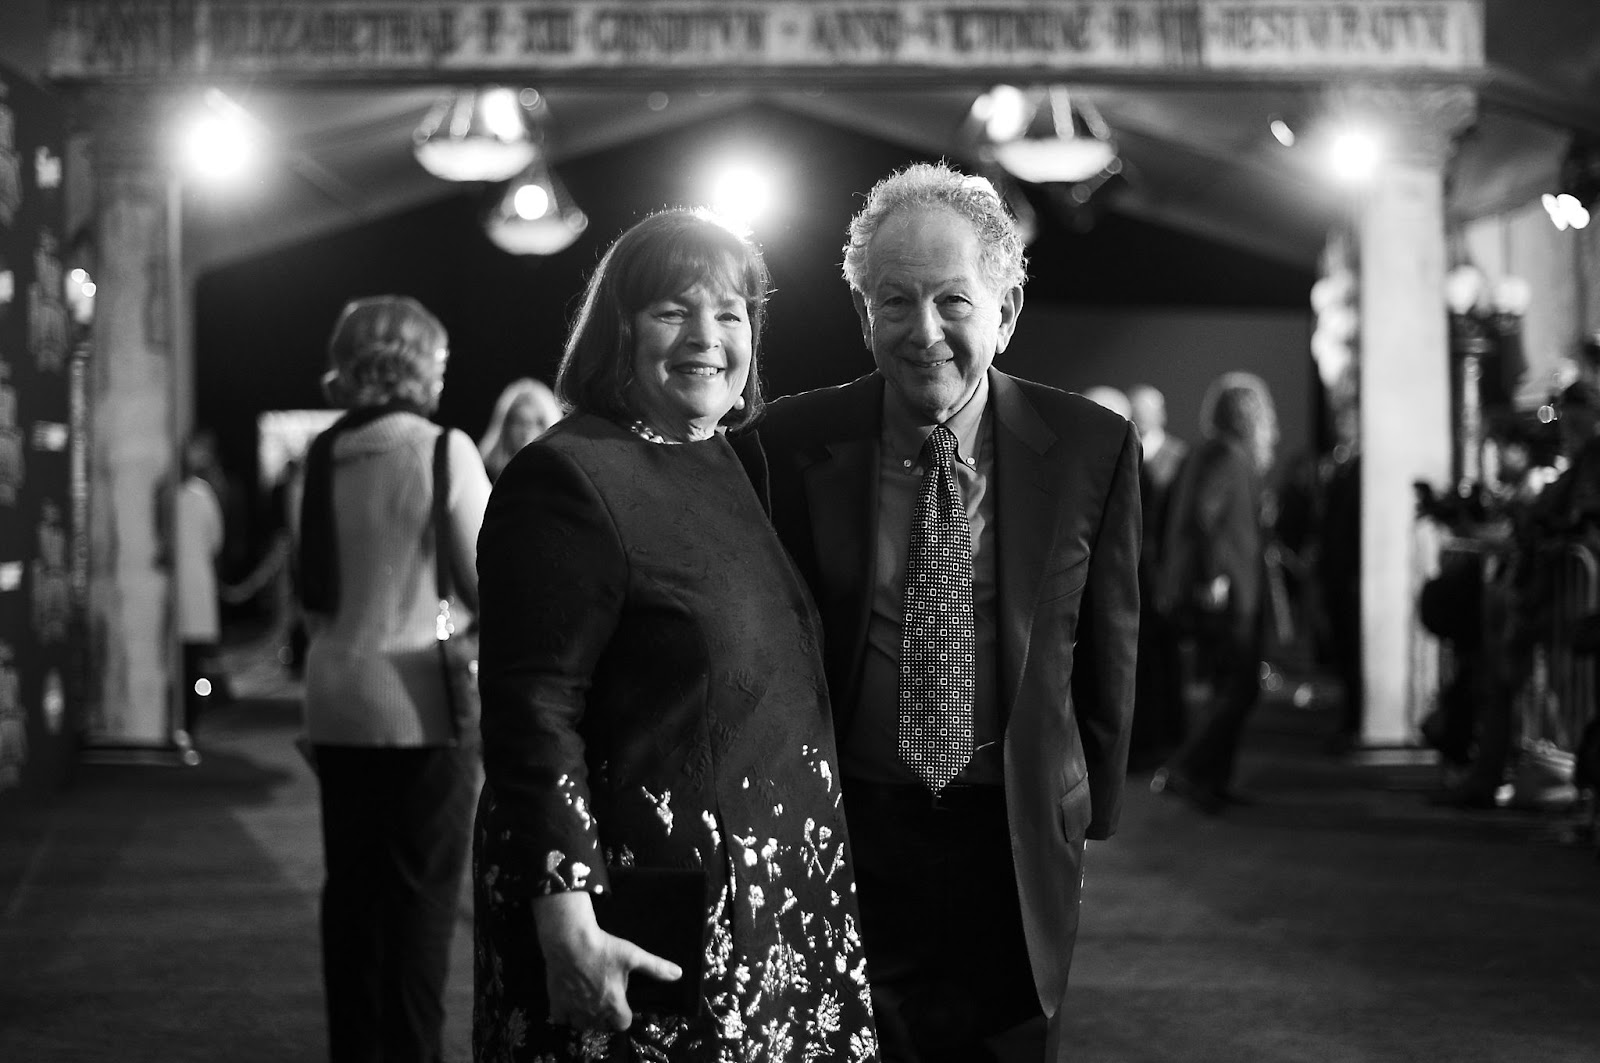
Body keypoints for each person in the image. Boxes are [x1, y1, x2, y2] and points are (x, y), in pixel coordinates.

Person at [471, 209, 878, 1063]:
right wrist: (566, 913)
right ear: (617, 330)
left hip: (772, 912)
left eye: (730, 314)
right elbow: (531, 709)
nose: (706, 336)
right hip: (641, 921)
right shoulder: (569, 473)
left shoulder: (727, 459)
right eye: (672, 311)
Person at [759, 162, 1141, 1063]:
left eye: (953, 302)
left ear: (1004, 311)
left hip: (1011, 826)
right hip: (851, 818)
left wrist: (1092, 805)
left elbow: (1111, 639)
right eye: (894, 302)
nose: (923, 332)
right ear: (863, 316)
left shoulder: (1091, 445)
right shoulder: (787, 443)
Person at [295, 295, 491, 1063]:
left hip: (334, 697)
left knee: (352, 899)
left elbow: (313, 588)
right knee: (420, 908)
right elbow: (486, 582)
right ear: (415, 363)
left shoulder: (319, 454)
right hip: (420, 707)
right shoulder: (444, 449)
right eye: (438, 360)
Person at [1152, 371, 1279, 814]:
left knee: (1232, 685)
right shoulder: (1226, 456)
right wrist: (1214, 577)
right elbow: (1206, 520)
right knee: (1238, 687)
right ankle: (1187, 771)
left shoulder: (1213, 453)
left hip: (1226, 590)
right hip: (1227, 593)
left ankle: (1212, 780)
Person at [1127, 384, 1189, 771]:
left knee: (1163, 658)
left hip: (1160, 572)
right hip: (1132, 570)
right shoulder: (1122, 449)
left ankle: (1168, 737)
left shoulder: (1178, 458)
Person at [174, 431, 226, 740]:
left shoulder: (195, 495)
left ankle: (185, 725)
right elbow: (215, 539)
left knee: (188, 664)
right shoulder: (200, 495)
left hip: (186, 596)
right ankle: (188, 726)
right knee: (192, 665)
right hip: (193, 594)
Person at [478, 377, 562, 481]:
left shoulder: (561, 481)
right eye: (519, 421)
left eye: (538, 422)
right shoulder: (481, 476)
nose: (527, 430)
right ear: (505, 427)